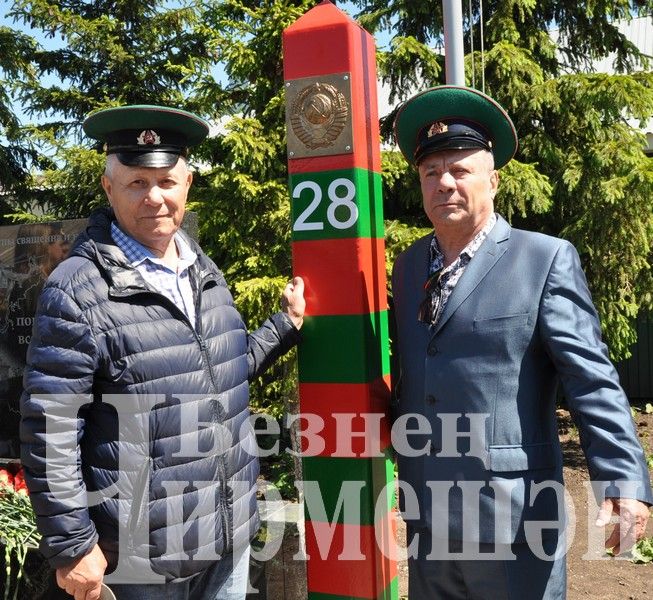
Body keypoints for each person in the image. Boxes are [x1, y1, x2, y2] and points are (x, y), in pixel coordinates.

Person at [20, 105, 306, 600]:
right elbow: (52, 425)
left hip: (226, 539)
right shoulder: (79, 291)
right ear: (109, 189)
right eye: (136, 182)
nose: (154, 197)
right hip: (144, 560)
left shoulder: (202, 270)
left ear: (187, 184)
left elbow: (220, 370)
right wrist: (71, 546)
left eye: (166, 181)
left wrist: (284, 326)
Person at [390, 86, 652, 599]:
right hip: (428, 516)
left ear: (494, 180)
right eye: (431, 173)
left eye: (460, 171)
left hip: (513, 520)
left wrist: (623, 481)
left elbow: (591, 380)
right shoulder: (407, 268)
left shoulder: (542, 260)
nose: (444, 183)